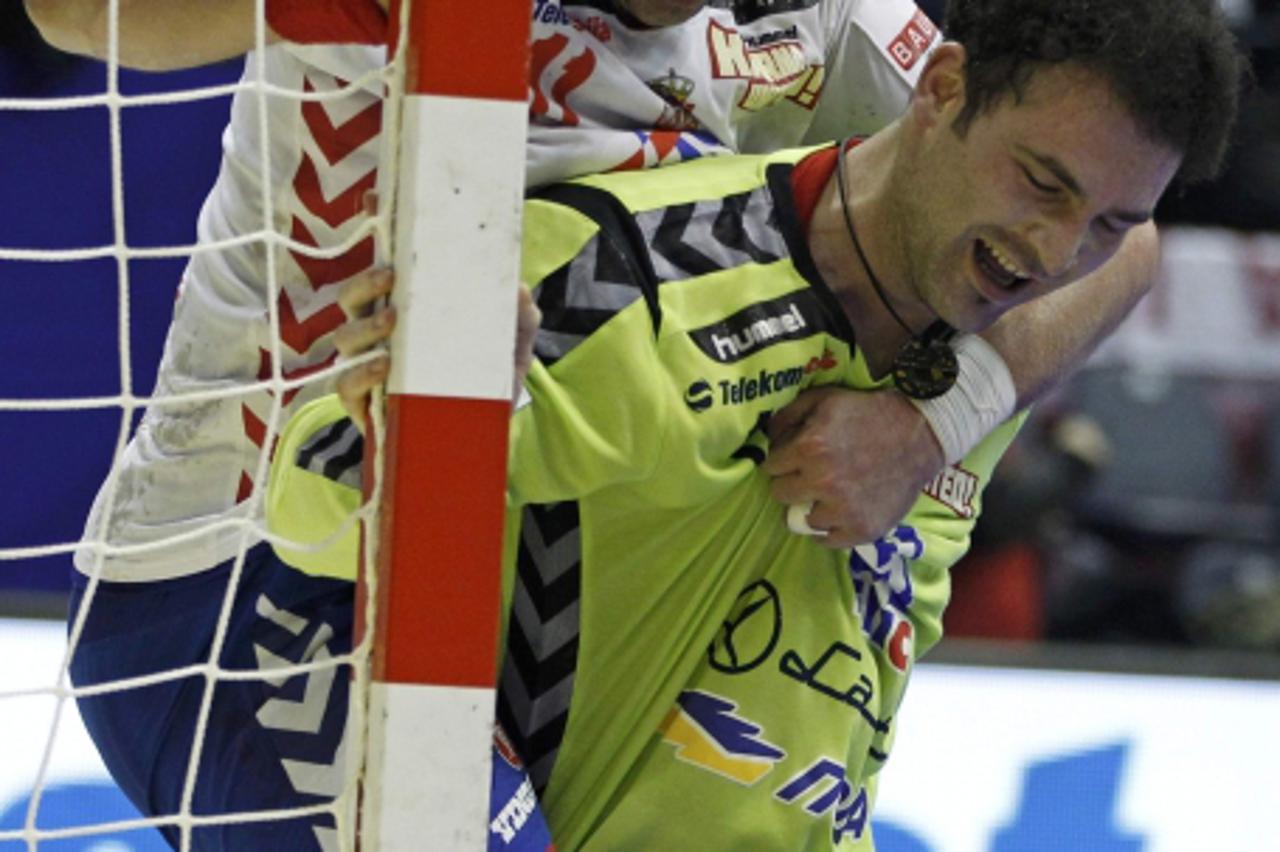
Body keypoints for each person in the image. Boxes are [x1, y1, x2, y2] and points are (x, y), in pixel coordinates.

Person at [19, 0, 1229, 847]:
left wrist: (931, 422)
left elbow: (1114, 236)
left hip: (505, 569)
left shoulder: (811, 26)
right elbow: (72, 14)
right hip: (244, 565)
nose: (1060, 230)